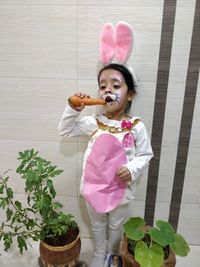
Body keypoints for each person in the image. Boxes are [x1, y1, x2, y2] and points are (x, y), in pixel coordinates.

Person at [58, 22, 153, 267]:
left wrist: (132, 169)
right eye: (103, 86)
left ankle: (113, 253)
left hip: (120, 191)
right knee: (98, 223)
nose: (107, 90)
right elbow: (66, 131)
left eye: (116, 85)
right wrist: (73, 109)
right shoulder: (94, 122)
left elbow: (146, 155)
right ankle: (100, 254)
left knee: (116, 224)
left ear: (130, 94)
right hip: (94, 189)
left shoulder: (136, 126)